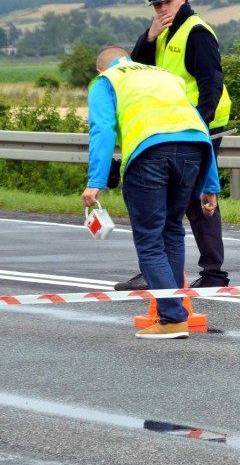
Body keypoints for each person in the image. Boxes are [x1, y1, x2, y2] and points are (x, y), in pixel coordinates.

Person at [83, 46, 220, 339]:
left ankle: (171, 319)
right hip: (194, 150)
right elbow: (199, 124)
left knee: (149, 238)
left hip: (150, 153)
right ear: (131, 61)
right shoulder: (166, 76)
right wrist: (211, 184)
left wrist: (95, 180)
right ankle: (174, 315)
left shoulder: (106, 81)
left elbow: (103, 130)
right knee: (172, 231)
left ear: (101, 69)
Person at [114, 0, 232, 292]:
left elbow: (211, 83)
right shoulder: (165, 33)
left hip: (198, 126)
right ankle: (163, 271)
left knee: (197, 197)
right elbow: (135, 72)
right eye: (156, 5)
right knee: (170, 199)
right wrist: (149, 38)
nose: (162, 9)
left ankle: (212, 273)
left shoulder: (196, 32)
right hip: (173, 127)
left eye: (166, 2)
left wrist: (201, 129)